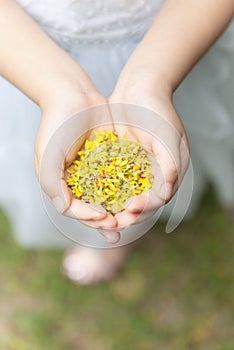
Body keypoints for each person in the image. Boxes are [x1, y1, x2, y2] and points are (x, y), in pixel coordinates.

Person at [0, 0, 233, 284]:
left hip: (173, 39)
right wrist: (56, 90)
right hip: (27, 51)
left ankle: (125, 227)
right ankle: (106, 235)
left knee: (164, 147)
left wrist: (153, 80)